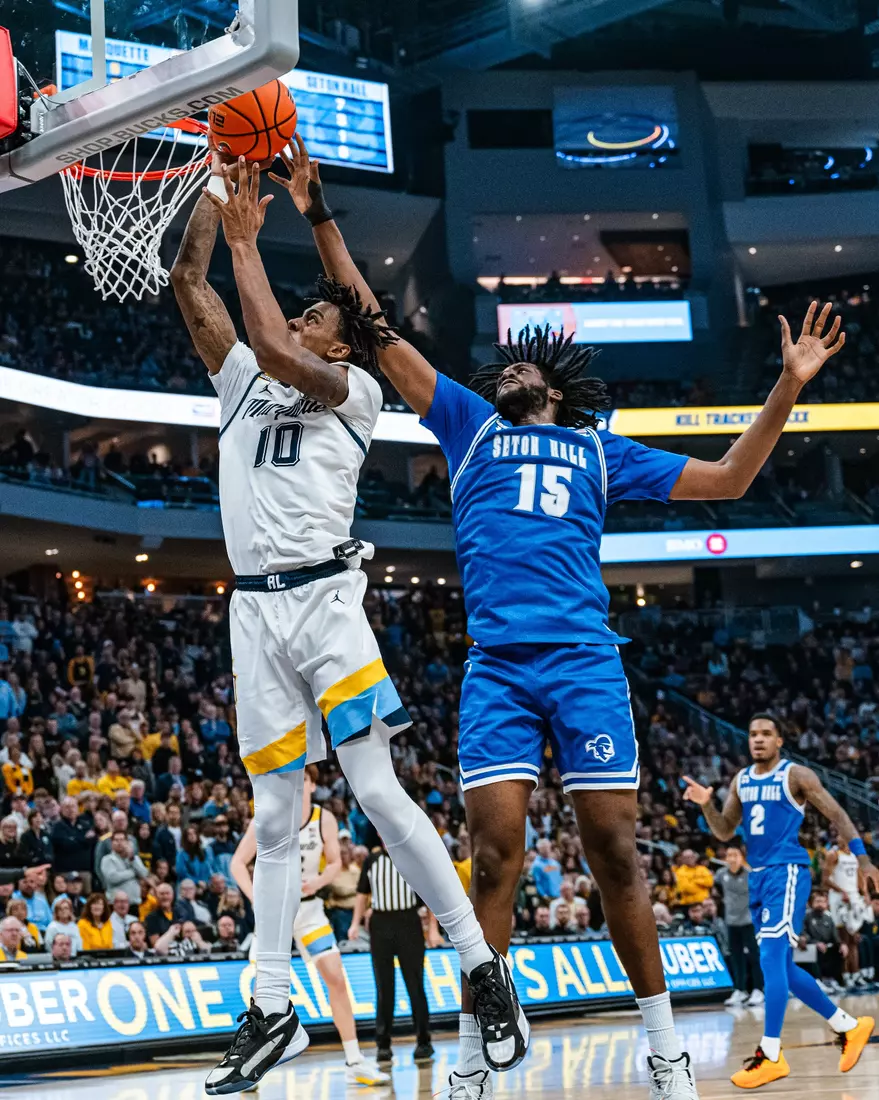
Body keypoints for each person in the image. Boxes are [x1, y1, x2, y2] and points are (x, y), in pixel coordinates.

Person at [204, 136, 849, 1100]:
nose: (502, 371)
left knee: (616, 852)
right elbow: (373, 328)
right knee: (493, 859)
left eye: (517, 368)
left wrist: (786, 386)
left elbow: (728, 478)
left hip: (584, 660)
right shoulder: (468, 424)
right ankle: (473, 1059)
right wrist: (321, 213)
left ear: (551, 385)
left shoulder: (599, 448)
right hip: (497, 667)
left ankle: (663, 1048)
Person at [174, 149, 526, 1094]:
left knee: (374, 790)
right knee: (274, 816)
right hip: (255, 611)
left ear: (342, 346)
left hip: (327, 604)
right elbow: (187, 284)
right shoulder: (240, 381)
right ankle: (273, 1009)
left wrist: (250, 243)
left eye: (317, 316)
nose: (301, 318)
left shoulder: (355, 392)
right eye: (299, 310)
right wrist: (215, 188)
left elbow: (274, 342)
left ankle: (482, 968)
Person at [684, 713, 879, 1087]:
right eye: (752, 734)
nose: (757, 739)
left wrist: (864, 859)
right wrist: (706, 804)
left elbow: (838, 814)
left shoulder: (796, 776)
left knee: (771, 959)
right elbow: (724, 831)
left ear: (779, 741)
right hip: (758, 877)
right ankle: (848, 1026)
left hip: (786, 872)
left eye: (766, 734)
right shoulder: (741, 780)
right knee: (782, 968)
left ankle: (770, 1053)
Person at [230, 766, 389, 1086]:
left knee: (336, 978)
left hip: (309, 910)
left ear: (313, 784)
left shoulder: (323, 818)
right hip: (275, 913)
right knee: (261, 991)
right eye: (293, 776)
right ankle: (251, 1064)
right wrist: (256, 898)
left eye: (303, 777)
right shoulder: (268, 812)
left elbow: (335, 863)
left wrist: (318, 881)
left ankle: (354, 1059)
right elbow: (237, 863)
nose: (297, 782)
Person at [349, 840, 440, 1066]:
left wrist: (433, 928)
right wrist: (355, 923)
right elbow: (361, 894)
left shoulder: (412, 857)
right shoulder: (372, 860)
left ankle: (424, 1041)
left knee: (415, 985)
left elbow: (429, 893)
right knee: (384, 987)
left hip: (408, 922)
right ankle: (383, 1045)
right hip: (381, 924)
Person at [715, 843, 763, 1007]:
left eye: (735, 855)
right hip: (731, 921)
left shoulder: (751, 874)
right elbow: (718, 890)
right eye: (729, 855)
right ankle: (740, 990)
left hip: (749, 921)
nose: (732, 859)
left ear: (742, 858)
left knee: (755, 956)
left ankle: (758, 989)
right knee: (736, 957)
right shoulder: (721, 874)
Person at [823, 841, 871, 989]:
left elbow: (860, 878)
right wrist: (841, 891)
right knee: (843, 940)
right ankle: (845, 976)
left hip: (853, 898)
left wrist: (865, 893)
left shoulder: (854, 856)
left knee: (854, 939)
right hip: (839, 899)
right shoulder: (833, 855)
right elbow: (825, 880)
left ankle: (855, 975)